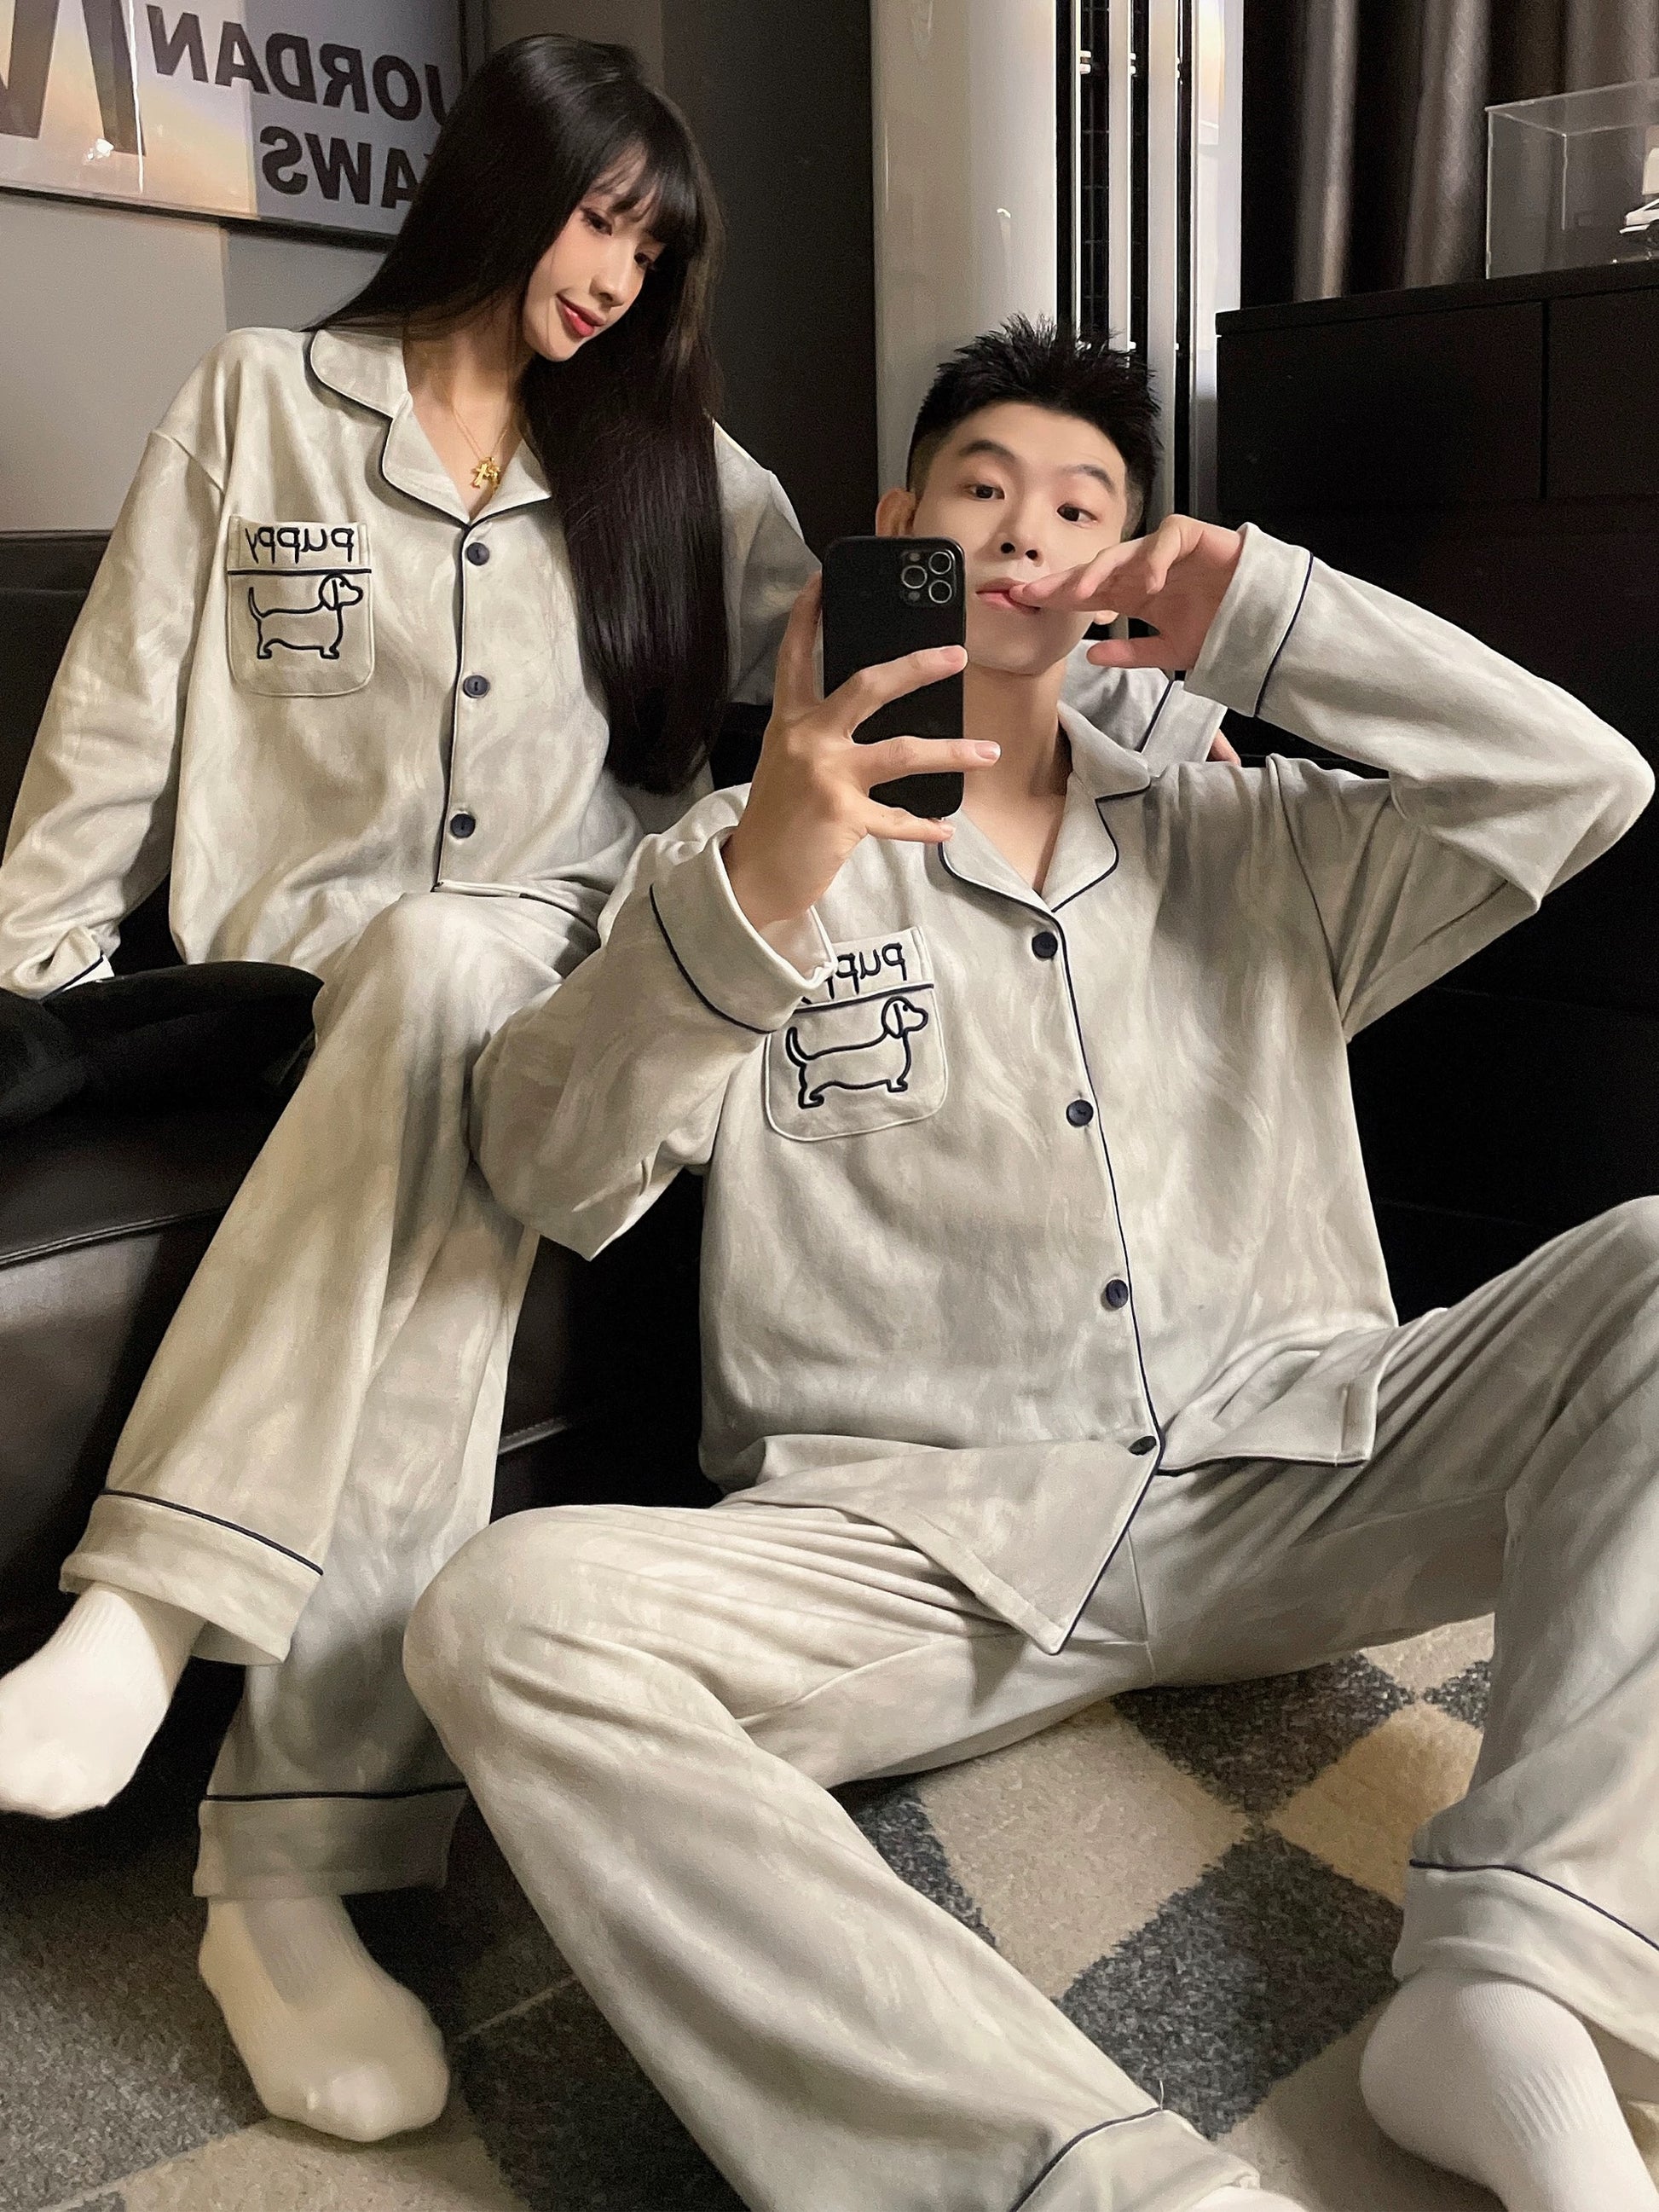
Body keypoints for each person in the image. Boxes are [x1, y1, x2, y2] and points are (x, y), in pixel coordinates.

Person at [404, 319, 1659, 2212]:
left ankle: (1511, 1990)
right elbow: (546, 1165)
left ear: (1126, 567)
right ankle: (1096, 2185)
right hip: (926, 1547)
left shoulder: (1253, 839)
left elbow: (1583, 783)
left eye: (1081, 508)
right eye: (980, 491)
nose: (1024, 531)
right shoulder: (737, 859)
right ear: (893, 527)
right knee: (505, 1615)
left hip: (1287, 1470)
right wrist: (764, 882)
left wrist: (1272, 620)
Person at [0, 33, 823, 2143]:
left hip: (551, 984)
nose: (616, 278)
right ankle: (282, 1882)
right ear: (499, 180)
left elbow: (870, 670)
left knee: (469, 968)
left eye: (653, 250)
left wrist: (1095, 700)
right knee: (432, 985)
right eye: (598, 220)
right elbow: (113, 718)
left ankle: (142, 1618)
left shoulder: (686, 476)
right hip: (300, 992)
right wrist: (28, 986)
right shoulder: (258, 404)